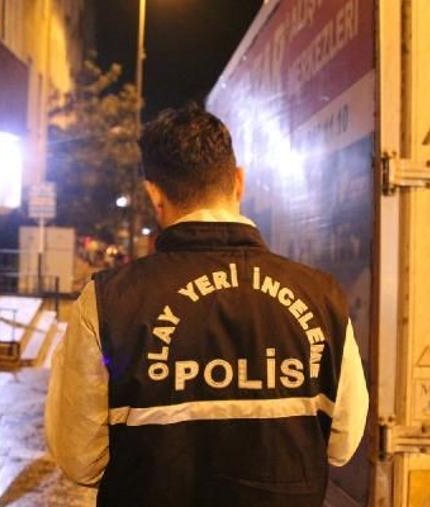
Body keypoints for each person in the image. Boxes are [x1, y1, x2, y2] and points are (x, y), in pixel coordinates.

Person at [45, 104, 368, 506]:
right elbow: (342, 444)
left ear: (154, 194)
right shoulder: (322, 298)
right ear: (239, 181)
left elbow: (79, 459)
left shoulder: (108, 301)